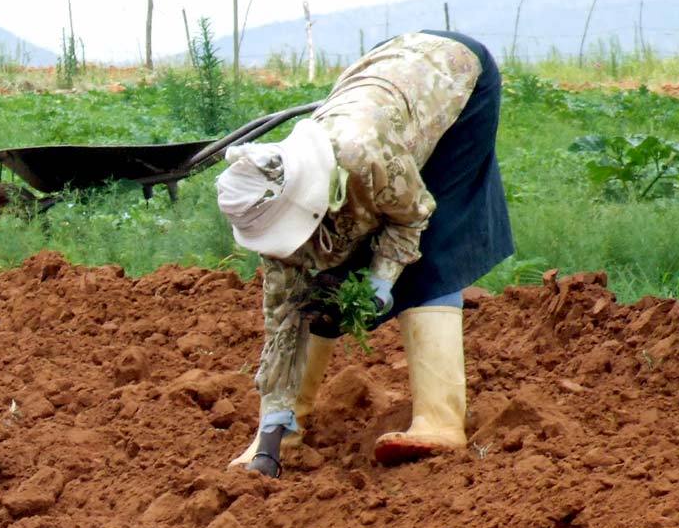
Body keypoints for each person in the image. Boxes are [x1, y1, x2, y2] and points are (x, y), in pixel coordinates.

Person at [216, 30, 513, 477]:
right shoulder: (273, 210)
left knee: (433, 247)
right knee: (315, 284)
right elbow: (283, 318)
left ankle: (441, 421)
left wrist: (381, 278)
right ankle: (288, 430)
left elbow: (411, 215)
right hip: (389, 77)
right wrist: (272, 419)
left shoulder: (362, 155)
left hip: (456, 78)